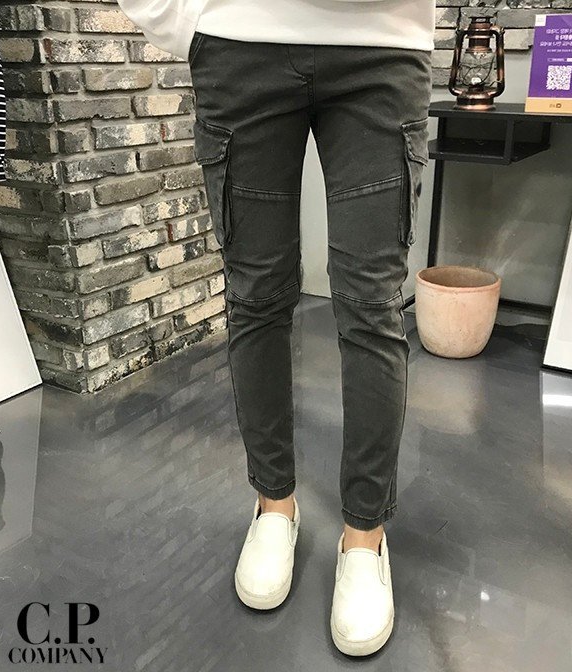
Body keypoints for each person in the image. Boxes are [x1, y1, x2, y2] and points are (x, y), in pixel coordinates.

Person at [117, 0, 434, 656]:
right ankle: (273, 507)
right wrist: (188, 21)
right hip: (240, 42)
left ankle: (365, 539)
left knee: (372, 308)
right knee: (256, 300)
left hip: (383, 40)